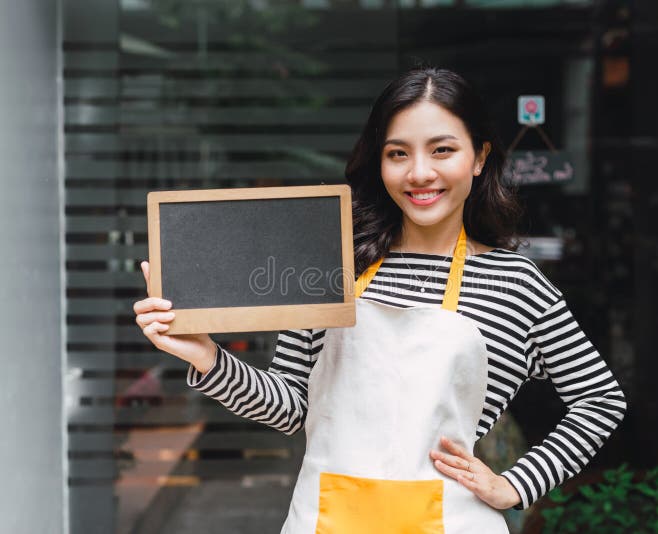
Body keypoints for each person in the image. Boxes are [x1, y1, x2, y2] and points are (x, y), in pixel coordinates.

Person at [134, 67, 626, 533]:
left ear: (478, 158)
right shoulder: (329, 266)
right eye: (398, 153)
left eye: (442, 150)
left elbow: (600, 400)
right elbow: (291, 407)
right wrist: (208, 357)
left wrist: (514, 485)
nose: (419, 173)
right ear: (380, 162)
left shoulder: (513, 282)